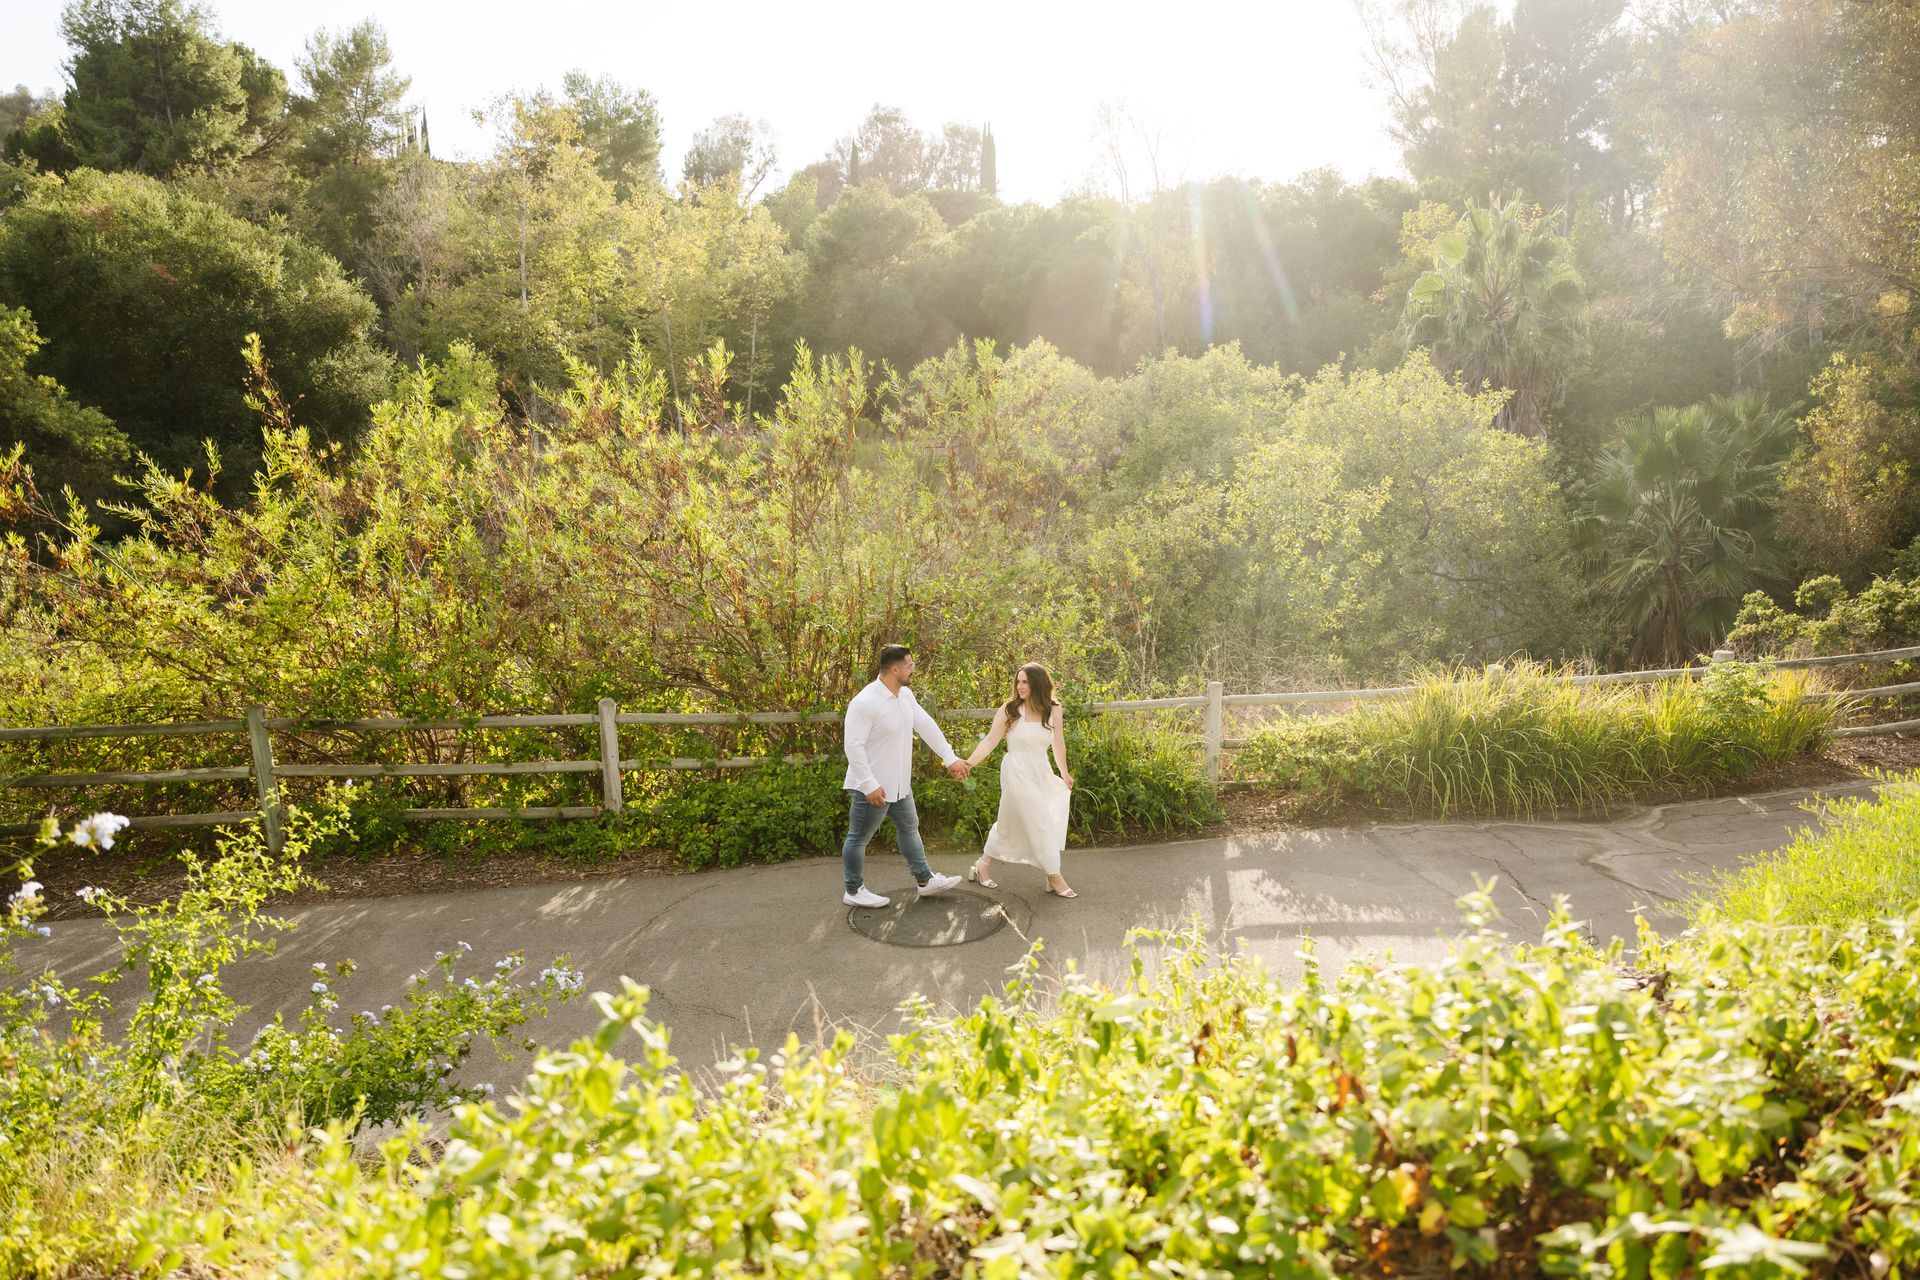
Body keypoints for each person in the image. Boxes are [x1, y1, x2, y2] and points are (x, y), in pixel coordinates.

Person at [839, 643, 969, 907]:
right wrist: (868, 784)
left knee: (910, 828)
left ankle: (925, 880)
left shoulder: (905, 696)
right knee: (858, 838)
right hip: (873, 788)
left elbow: (925, 725)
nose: (913, 670)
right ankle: (853, 891)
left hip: (899, 785)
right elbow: (852, 745)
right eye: (909, 666)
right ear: (894, 669)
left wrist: (950, 757)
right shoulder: (865, 702)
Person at [962, 662, 1076, 898]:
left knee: (1007, 823)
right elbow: (990, 741)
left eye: (1025, 681)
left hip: (1040, 770)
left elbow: (1058, 743)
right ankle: (1054, 875)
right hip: (1016, 770)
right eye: (1018, 681)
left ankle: (982, 865)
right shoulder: (1010, 709)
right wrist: (968, 763)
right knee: (1040, 820)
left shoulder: (1053, 709)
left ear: (1038, 684)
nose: (1020, 686)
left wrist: (1064, 773)